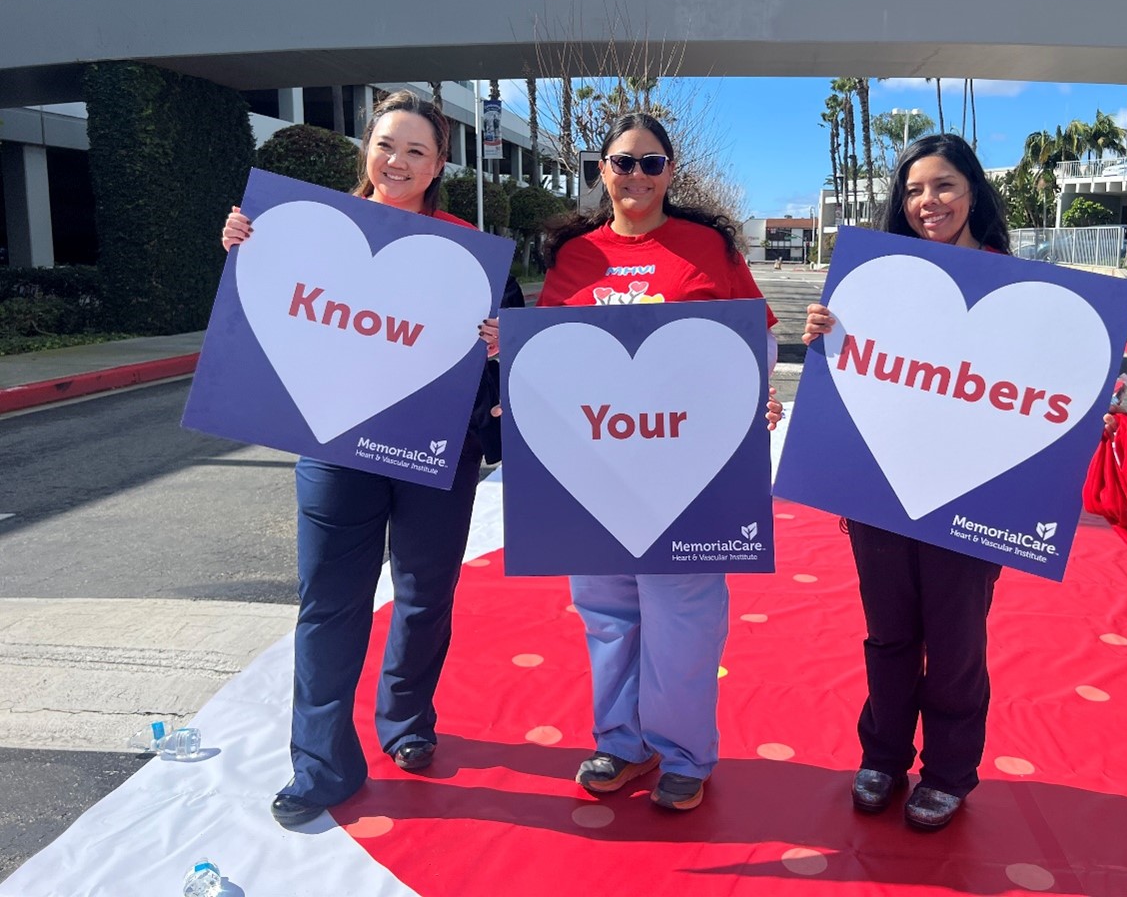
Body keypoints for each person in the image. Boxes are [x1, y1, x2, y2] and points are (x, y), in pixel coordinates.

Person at [222, 89, 520, 827]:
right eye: (387, 144)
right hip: (336, 448)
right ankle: (320, 765)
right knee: (329, 601)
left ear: (439, 164)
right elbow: (268, 310)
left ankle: (406, 721)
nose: (398, 161)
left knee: (424, 594)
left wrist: (503, 344)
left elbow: (514, 353)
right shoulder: (306, 232)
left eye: (417, 150)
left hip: (439, 452)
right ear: (367, 149)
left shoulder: (473, 253)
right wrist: (246, 247)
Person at [534, 111, 782, 811]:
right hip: (596, 466)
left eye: (650, 163)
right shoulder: (575, 255)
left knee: (681, 618)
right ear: (603, 170)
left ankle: (683, 755)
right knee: (608, 612)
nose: (636, 175)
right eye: (623, 162)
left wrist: (753, 398)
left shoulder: (707, 248)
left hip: (688, 471)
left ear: (670, 172)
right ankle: (621, 743)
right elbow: (546, 356)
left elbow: (756, 342)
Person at [802, 134, 1012, 831]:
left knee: (955, 642)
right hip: (881, 488)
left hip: (971, 495)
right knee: (889, 634)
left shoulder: (1015, 286)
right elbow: (853, 375)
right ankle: (883, 756)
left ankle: (949, 771)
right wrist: (825, 334)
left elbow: (1040, 383)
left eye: (944, 185)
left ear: (973, 190)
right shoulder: (877, 283)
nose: (929, 202)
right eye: (915, 189)